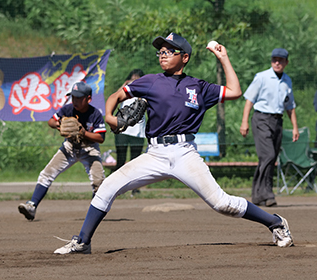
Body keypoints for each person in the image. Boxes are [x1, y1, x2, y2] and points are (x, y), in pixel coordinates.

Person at [53, 33, 293, 254]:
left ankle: (276, 222)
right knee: (107, 187)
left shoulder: (198, 87)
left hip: (185, 154)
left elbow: (234, 91)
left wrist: (223, 57)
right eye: (161, 51)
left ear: (184, 57)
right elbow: (117, 96)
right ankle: (83, 242)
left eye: (169, 51)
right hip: (155, 154)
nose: (163, 54)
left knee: (222, 204)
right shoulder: (149, 82)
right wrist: (110, 117)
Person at [18, 81, 106, 221]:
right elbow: (51, 121)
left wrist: (83, 133)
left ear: (88, 99)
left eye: (79, 98)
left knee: (99, 182)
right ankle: (32, 206)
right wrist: (59, 124)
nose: (75, 101)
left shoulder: (95, 114)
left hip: (89, 149)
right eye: (73, 97)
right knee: (46, 174)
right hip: (69, 147)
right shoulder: (67, 109)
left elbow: (100, 138)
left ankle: (94, 215)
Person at [240, 48, 299, 207]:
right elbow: (249, 100)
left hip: (277, 121)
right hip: (261, 119)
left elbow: (290, 105)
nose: (277, 63)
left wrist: (295, 127)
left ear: (286, 62)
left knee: (269, 158)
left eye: (281, 60)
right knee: (268, 155)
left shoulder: (287, 80)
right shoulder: (262, 77)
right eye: (274, 59)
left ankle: (257, 195)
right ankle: (267, 193)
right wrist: (244, 121)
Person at [114, 69, 146, 195]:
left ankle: (135, 188)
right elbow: (115, 99)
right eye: (132, 79)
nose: (134, 82)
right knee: (120, 159)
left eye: (137, 79)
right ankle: (117, 186)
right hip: (123, 131)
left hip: (137, 132)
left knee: (135, 161)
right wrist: (124, 85)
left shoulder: (144, 92)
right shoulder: (124, 91)